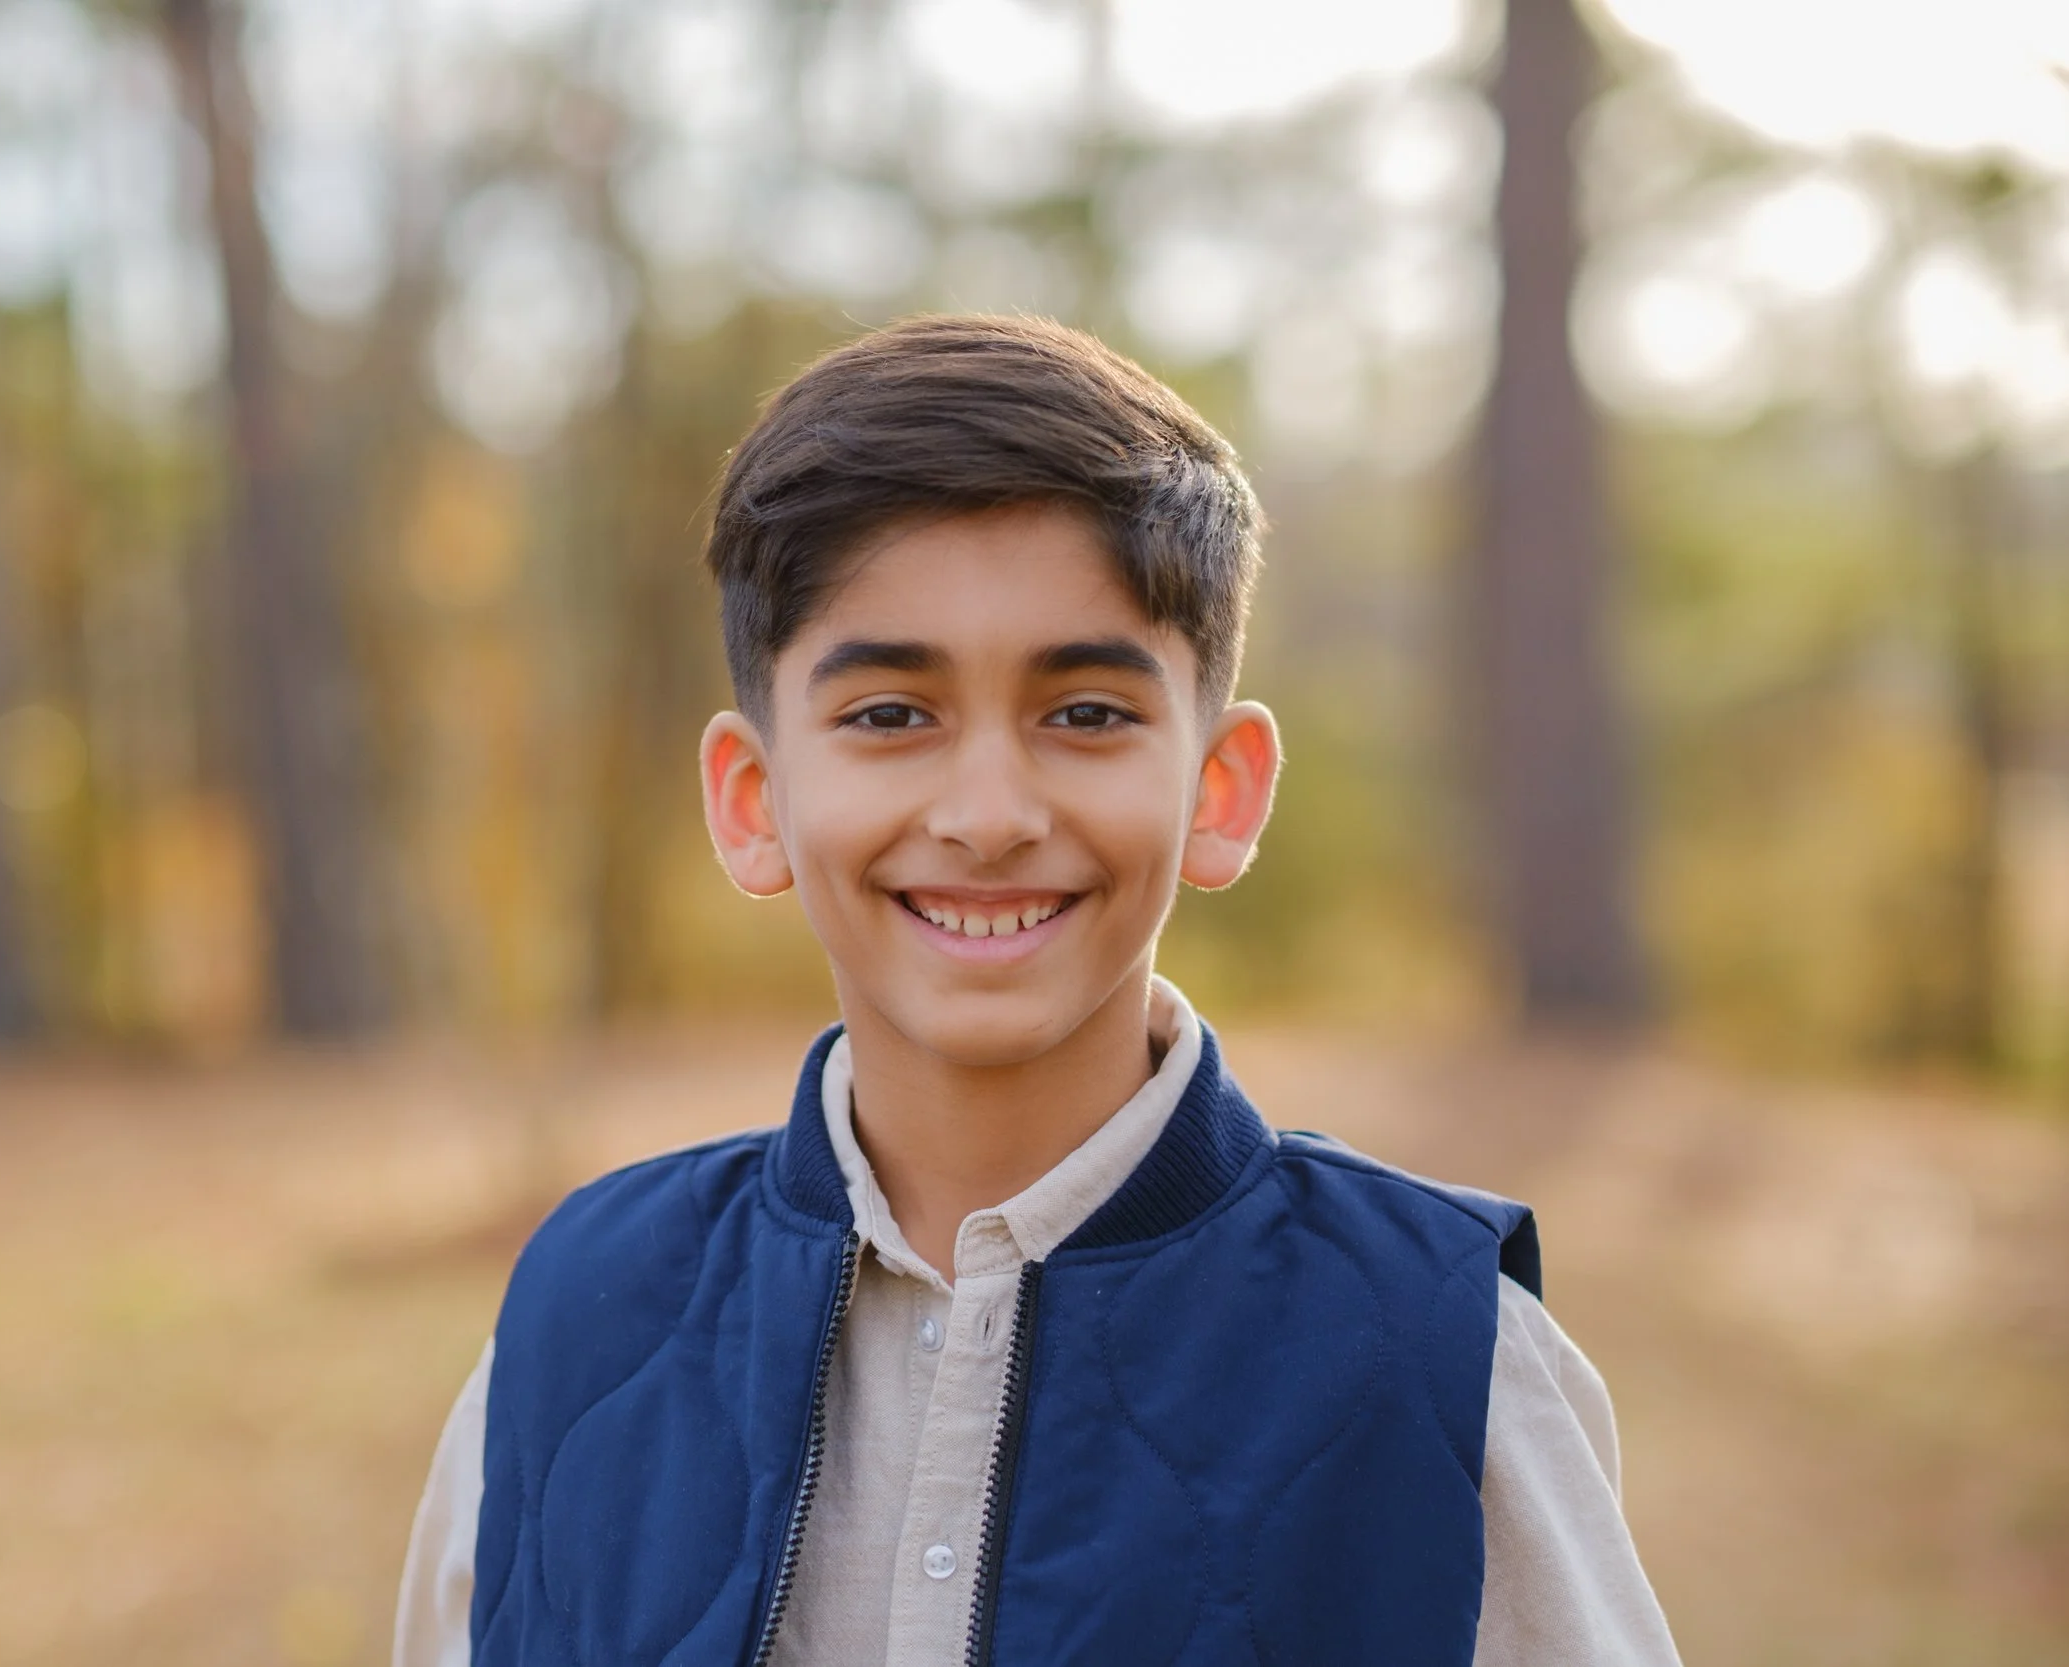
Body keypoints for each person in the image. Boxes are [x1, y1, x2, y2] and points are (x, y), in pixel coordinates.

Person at [394, 314, 1679, 1665]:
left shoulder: (1443, 1359)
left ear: (1220, 791)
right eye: (891, 713)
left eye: (1087, 713)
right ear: (754, 800)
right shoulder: (576, 1326)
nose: (990, 813)